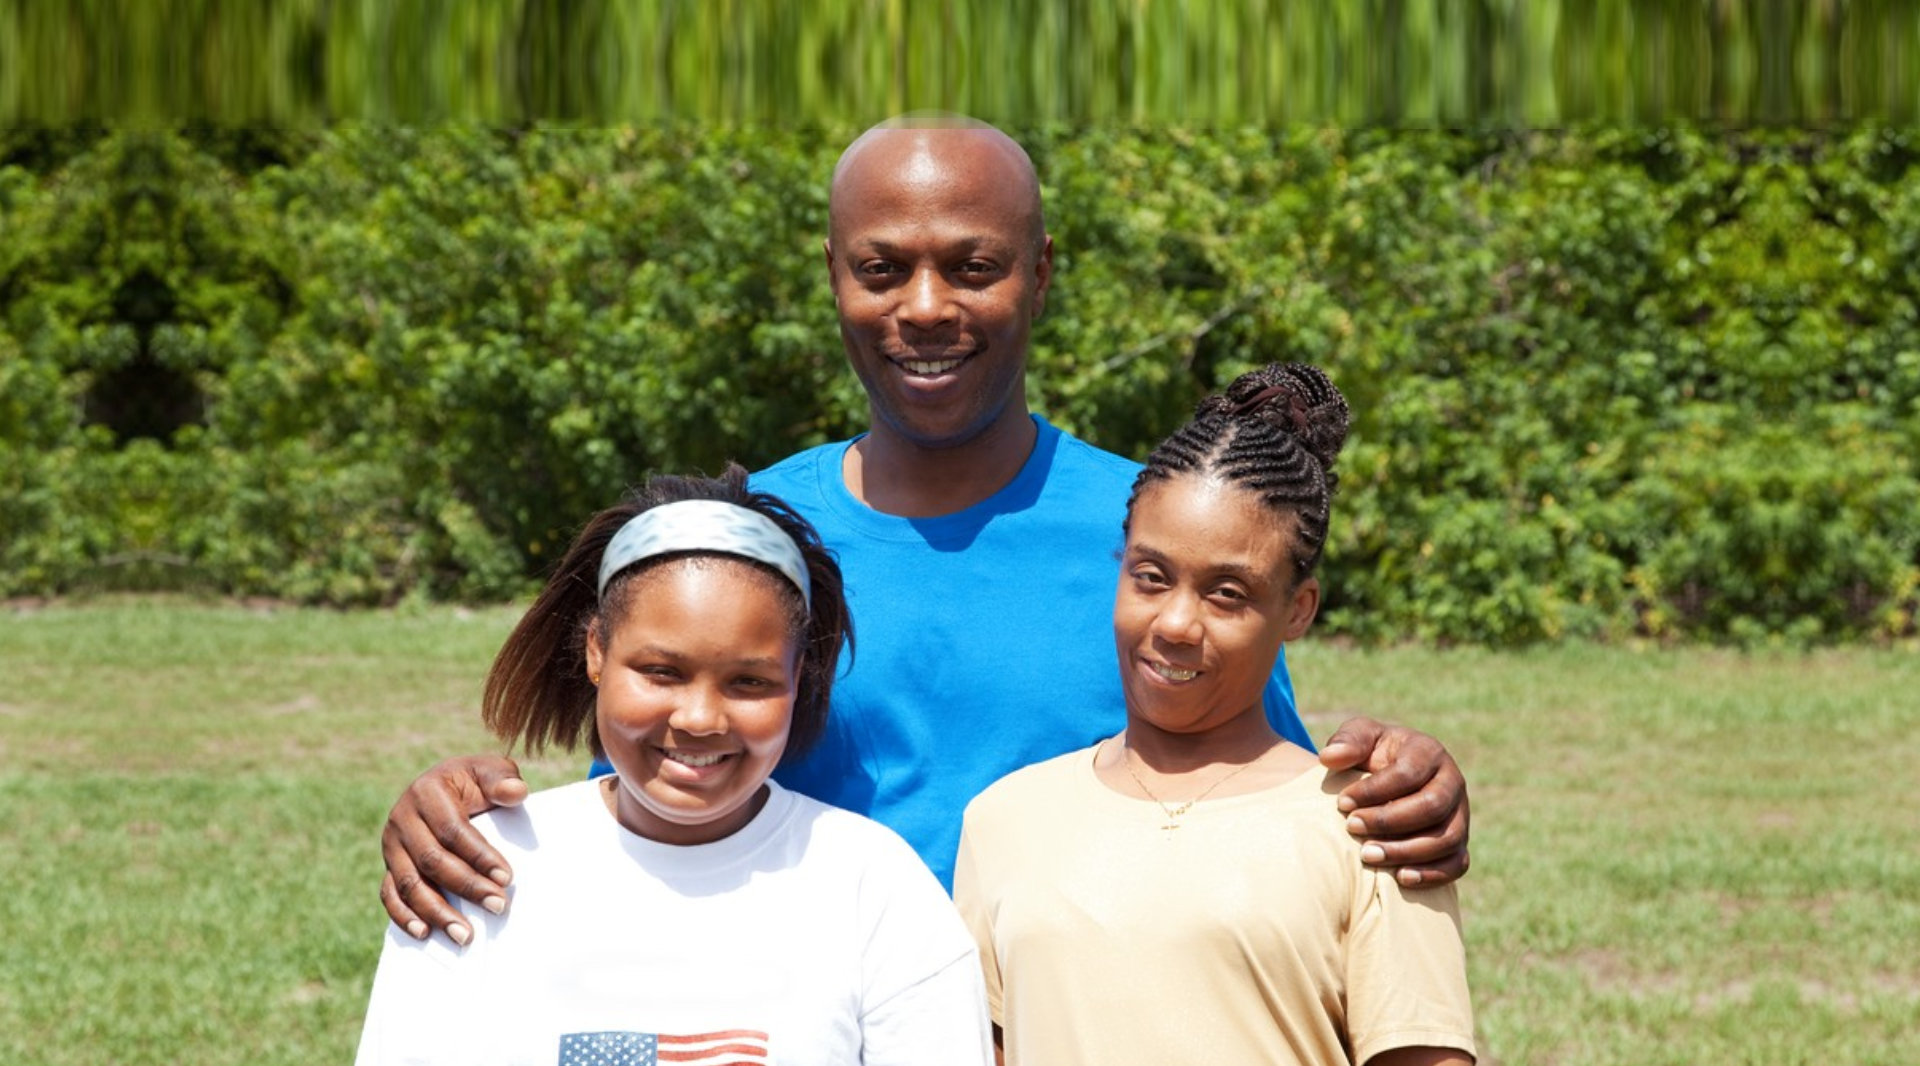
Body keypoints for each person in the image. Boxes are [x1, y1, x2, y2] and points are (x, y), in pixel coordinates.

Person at [378, 118, 1470, 946]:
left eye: (974, 265)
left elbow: (1271, 790)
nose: (927, 304)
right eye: (882, 267)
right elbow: (648, 794)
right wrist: (463, 819)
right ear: (835, 278)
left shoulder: (1160, 542)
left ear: (1039, 274)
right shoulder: (746, 541)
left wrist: (1401, 785)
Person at [354, 468, 992, 1065]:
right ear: (597, 652)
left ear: (800, 678)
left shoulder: (874, 885)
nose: (699, 718)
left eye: (749, 681)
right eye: (662, 671)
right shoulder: (484, 862)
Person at [953, 364, 1475, 1065]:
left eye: (1227, 593)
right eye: (1150, 576)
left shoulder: (1373, 825)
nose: (1174, 623)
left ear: (1298, 609)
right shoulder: (1004, 819)